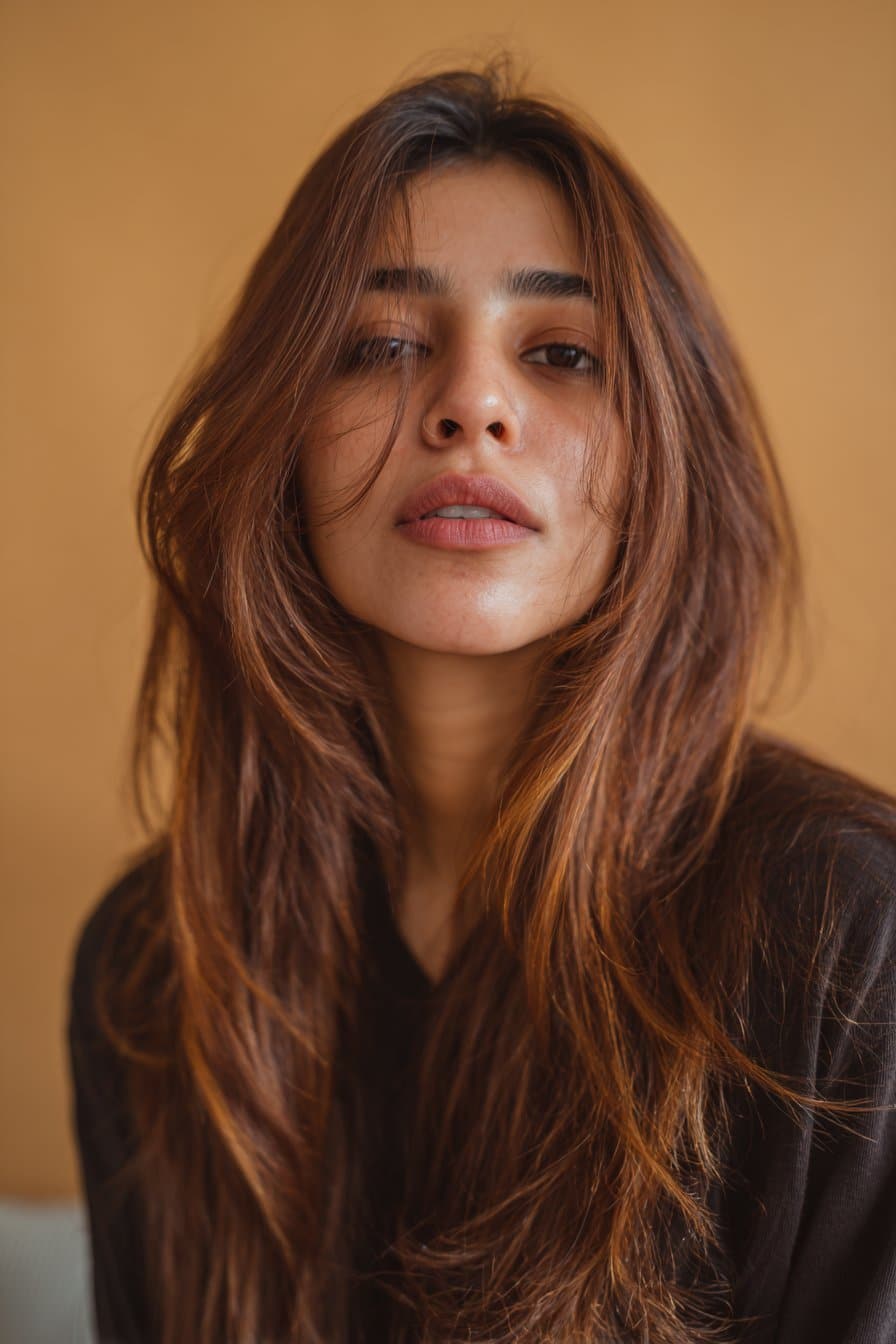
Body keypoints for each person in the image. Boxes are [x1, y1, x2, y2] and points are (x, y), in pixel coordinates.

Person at [66, 55, 896, 1344]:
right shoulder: (151, 970)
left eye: (562, 351)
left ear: (671, 450)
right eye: (382, 345)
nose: (472, 406)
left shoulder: (851, 935)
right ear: (277, 433)